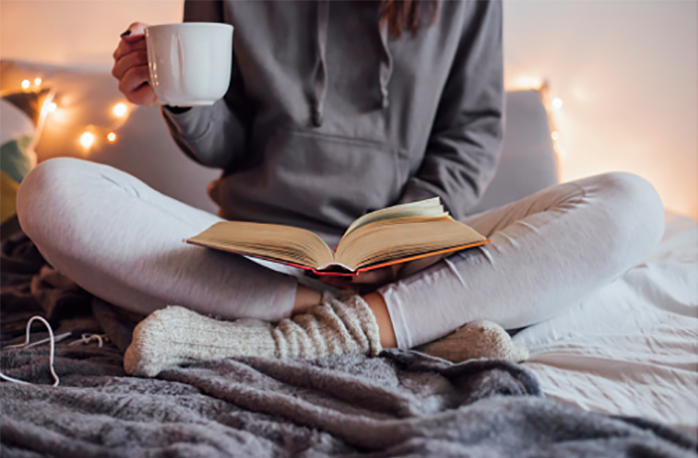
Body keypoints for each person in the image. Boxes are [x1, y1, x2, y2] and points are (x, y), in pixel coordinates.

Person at [16, 0, 664, 377]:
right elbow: (226, 142)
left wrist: (409, 241)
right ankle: (405, 325)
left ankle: (312, 326)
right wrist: (180, 101)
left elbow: (472, 131)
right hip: (249, 255)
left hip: (416, 250)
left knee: (632, 203)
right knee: (50, 189)